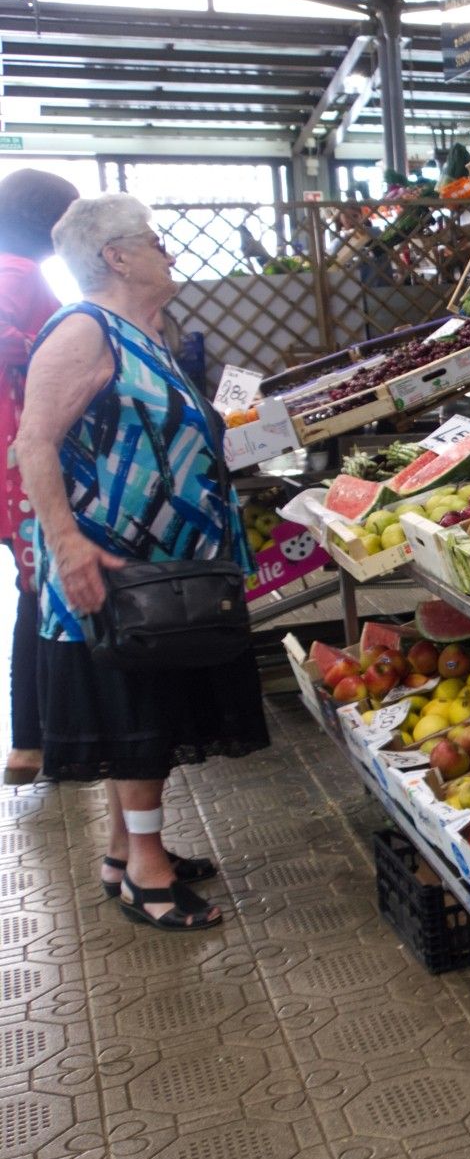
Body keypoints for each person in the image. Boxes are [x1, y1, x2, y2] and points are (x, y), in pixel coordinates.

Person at [15, 193, 267, 931]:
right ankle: (147, 874)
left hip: (159, 564)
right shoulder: (83, 329)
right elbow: (32, 444)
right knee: (134, 715)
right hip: (113, 566)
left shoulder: (138, 330)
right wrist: (66, 545)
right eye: (156, 241)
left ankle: (126, 853)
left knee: (148, 710)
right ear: (116, 256)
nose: (171, 252)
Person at [0, 170, 80, 786]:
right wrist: (48, 348)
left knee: (35, 590)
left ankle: (36, 737)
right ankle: (32, 740)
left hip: (14, 458)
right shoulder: (17, 271)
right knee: (39, 591)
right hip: (18, 463)